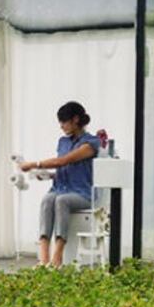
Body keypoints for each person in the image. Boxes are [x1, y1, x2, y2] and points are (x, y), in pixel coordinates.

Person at [19, 101, 100, 267]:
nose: (61, 126)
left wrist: (34, 164)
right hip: (60, 187)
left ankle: (57, 256)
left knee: (61, 200)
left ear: (76, 119)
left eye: (64, 122)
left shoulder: (90, 143)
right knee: (48, 199)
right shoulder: (63, 141)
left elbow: (64, 161)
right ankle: (43, 259)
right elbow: (66, 168)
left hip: (82, 193)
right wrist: (48, 175)